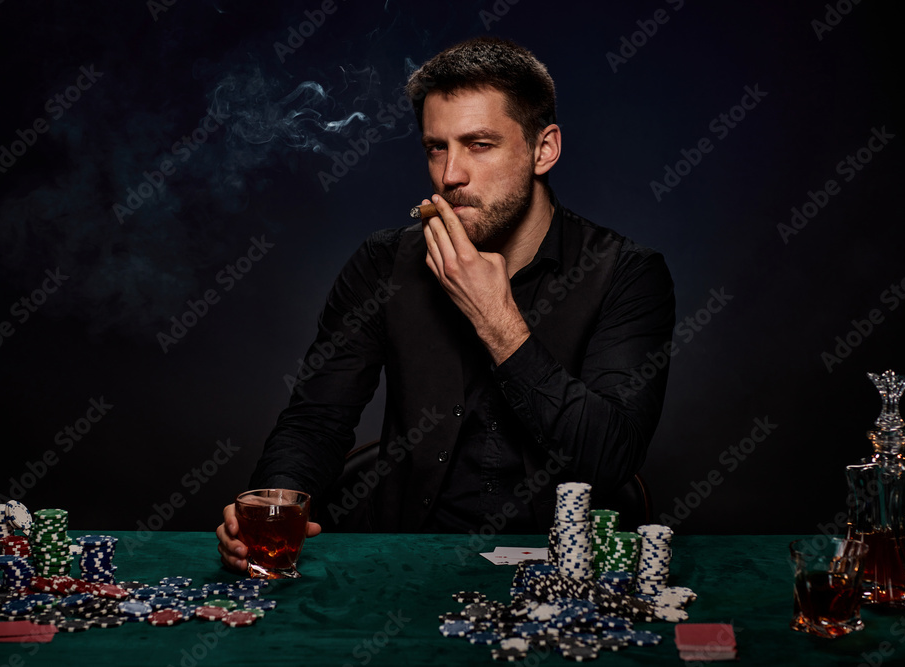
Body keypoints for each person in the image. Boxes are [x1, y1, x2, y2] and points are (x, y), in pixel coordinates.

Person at [217, 36, 675, 573]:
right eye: (437, 147)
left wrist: (497, 321)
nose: (450, 175)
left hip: (554, 577)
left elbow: (610, 458)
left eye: (479, 144)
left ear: (543, 149)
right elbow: (317, 420)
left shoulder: (627, 273)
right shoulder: (385, 262)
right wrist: (273, 509)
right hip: (400, 563)